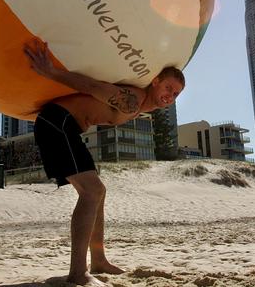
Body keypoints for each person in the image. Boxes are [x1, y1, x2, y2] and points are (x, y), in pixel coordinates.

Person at [24, 39, 185, 286]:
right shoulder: (134, 99)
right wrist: (51, 71)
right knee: (92, 191)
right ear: (155, 82)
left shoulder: (141, 107)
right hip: (57, 123)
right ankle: (78, 273)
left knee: (98, 192)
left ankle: (98, 260)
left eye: (175, 94)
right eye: (167, 88)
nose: (169, 96)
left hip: (68, 128)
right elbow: (91, 86)